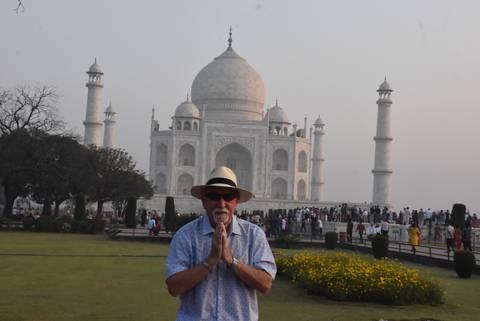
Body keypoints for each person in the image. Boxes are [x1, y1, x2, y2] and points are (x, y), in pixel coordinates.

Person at [165, 166, 276, 321]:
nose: (221, 203)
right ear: (204, 201)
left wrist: (231, 260)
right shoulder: (186, 235)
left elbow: (265, 284)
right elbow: (174, 287)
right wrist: (209, 261)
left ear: (236, 202)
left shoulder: (253, 235)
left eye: (228, 196)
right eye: (214, 196)